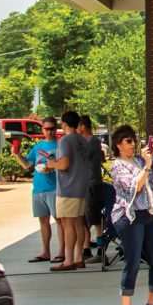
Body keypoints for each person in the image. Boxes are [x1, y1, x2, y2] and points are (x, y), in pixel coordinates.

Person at [108, 126, 153, 305]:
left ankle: (152, 302)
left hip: (148, 213)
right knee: (132, 261)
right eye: (128, 141)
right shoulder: (117, 166)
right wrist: (148, 165)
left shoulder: (140, 160)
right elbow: (136, 187)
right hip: (129, 216)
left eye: (133, 140)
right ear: (118, 145)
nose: (132, 144)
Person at [50, 113, 102, 271]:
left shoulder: (66, 140)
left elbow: (64, 164)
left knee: (67, 224)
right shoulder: (82, 140)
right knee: (79, 222)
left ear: (64, 123)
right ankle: (79, 257)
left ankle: (69, 260)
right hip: (83, 187)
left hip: (68, 188)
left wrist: (52, 163)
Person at [28, 122, 61, 262]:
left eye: (52, 129)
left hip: (54, 187)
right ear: (43, 130)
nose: (49, 131)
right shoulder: (38, 147)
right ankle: (45, 251)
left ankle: (62, 252)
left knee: (59, 220)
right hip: (38, 188)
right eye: (46, 129)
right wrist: (16, 153)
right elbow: (27, 164)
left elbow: (66, 165)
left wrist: (53, 167)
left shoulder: (60, 146)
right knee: (43, 220)